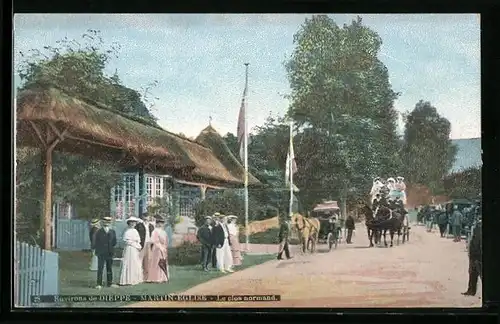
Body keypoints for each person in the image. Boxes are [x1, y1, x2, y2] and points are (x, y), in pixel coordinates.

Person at [93, 216, 118, 289]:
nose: (106, 223)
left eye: (108, 222)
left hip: (109, 252)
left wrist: (110, 249)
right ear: (102, 222)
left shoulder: (112, 231)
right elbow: (95, 242)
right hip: (101, 252)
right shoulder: (98, 232)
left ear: (110, 223)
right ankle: (99, 284)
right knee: (100, 268)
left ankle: (110, 283)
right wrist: (98, 250)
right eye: (105, 221)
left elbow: (114, 242)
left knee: (109, 268)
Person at [119, 216, 143, 286]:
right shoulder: (127, 231)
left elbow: (138, 240)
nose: (133, 224)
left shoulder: (135, 231)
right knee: (129, 262)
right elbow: (127, 241)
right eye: (131, 222)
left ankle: (134, 279)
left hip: (135, 250)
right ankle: (127, 279)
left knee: (135, 262)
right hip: (130, 249)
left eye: (134, 222)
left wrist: (138, 245)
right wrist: (134, 244)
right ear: (129, 223)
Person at [462, 210, 482, 296]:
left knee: (481, 273)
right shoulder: (476, 227)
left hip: (478, 254)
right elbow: (472, 240)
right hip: (473, 253)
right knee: (472, 273)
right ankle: (471, 290)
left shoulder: (480, 227)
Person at [145, 215, 169, 283]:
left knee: (163, 261)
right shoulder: (155, 231)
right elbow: (153, 240)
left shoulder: (163, 232)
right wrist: (159, 246)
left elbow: (166, 241)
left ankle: (163, 277)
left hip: (163, 248)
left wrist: (164, 247)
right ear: (157, 223)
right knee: (157, 262)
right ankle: (156, 277)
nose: (160, 224)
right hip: (157, 248)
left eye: (162, 223)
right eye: (159, 223)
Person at [136, 212, 155, 278]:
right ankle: (139, 276)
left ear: (149, 218)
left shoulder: (151, 226)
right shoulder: (139, 225)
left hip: (149, 244)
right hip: (141, 244)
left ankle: (146, 276)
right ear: (142, 217)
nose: (146, 218)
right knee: (139, 260)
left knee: (148, 261)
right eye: (145, 217)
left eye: (147, 217)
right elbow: (136, 235)